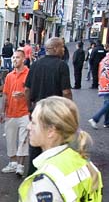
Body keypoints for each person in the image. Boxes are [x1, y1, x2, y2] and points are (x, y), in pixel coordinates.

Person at [24, 37, 73, 175]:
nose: (64, 49)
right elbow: (66, 92)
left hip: (37, 110)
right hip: (54, 112)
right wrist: (69, 111)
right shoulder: (61, 66)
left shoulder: (35, 65)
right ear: (56, 48)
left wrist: (29, 108)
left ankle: (32, 176)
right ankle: (51, 176)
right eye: (62, 47)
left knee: (35, 145)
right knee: (54, 146)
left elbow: (26, 90)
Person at [1, 49, 30, 176]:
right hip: (11, 112)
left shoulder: (29, 73)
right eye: (13, 58)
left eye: (17, 57)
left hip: (24, 112)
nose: (14, 60)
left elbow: (32, 91)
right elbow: (5, 95)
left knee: (24, 139)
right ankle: (13, 163)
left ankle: (20, 165)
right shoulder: (9, 76)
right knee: (10, 139)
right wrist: (2, 112)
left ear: (23, 59)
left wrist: (23, 94)